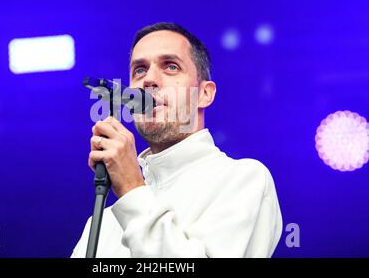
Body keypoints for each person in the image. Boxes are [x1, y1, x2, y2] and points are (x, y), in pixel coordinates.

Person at [71, 22, 283, 258]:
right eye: (139, 70)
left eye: (170, 67)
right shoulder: (102, 222)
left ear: (205, 94)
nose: (149, 80)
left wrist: (131, 187)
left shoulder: (244, 179)